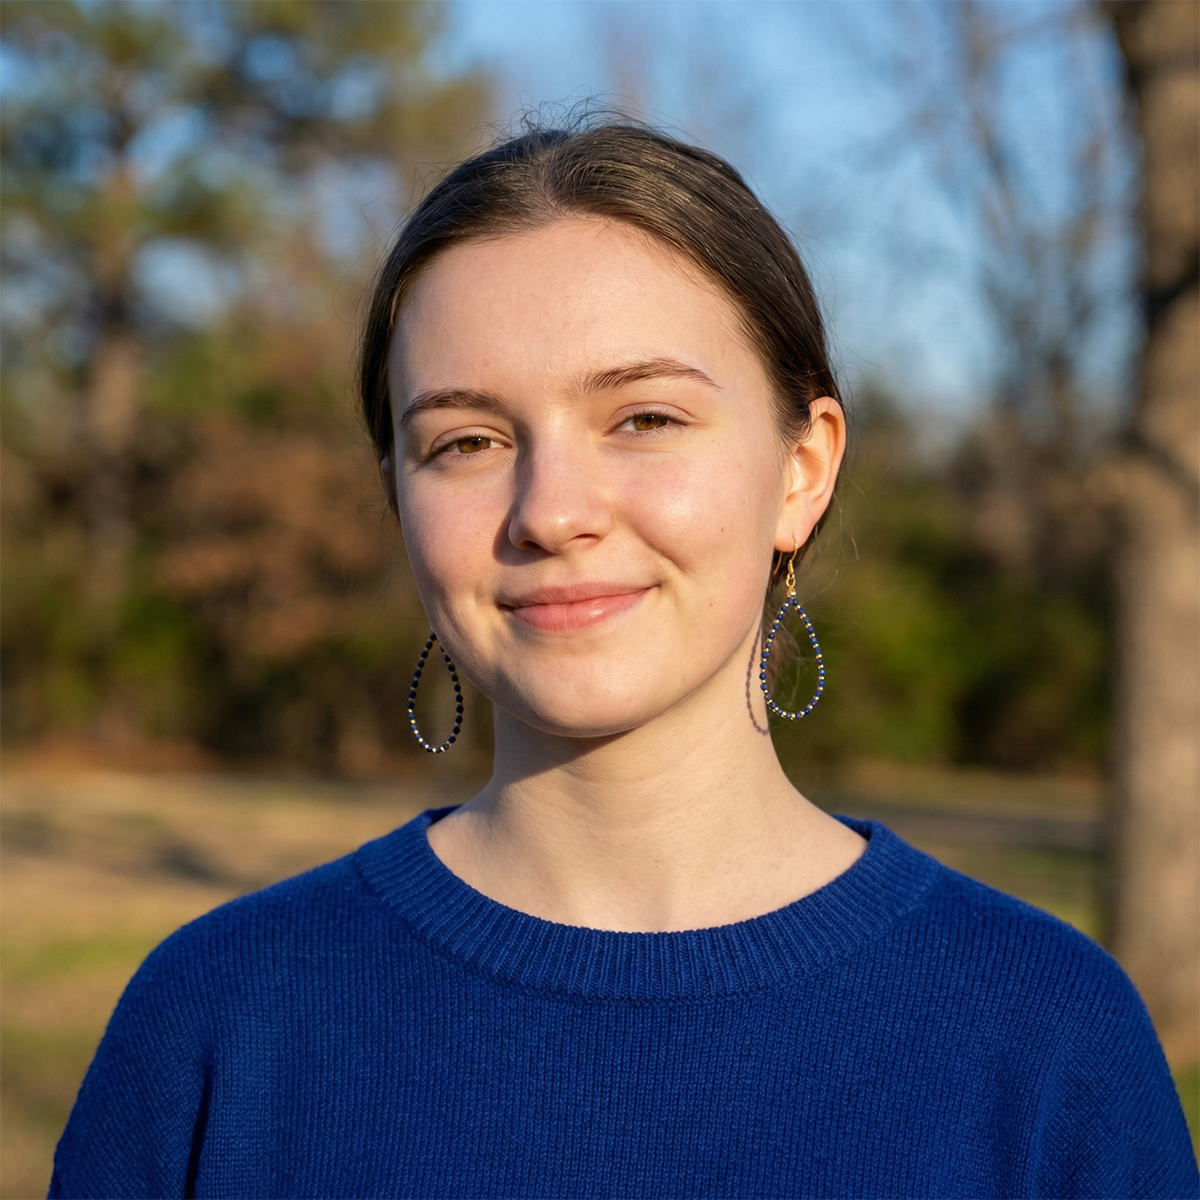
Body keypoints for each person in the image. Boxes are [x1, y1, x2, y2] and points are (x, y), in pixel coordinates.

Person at [50, 120, 1198, 1199]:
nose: (551, 512)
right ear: (398, 498)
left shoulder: (1046, 1041)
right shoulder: (218, 1025)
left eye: (644, 418)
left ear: (802, 469)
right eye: (466, 441)